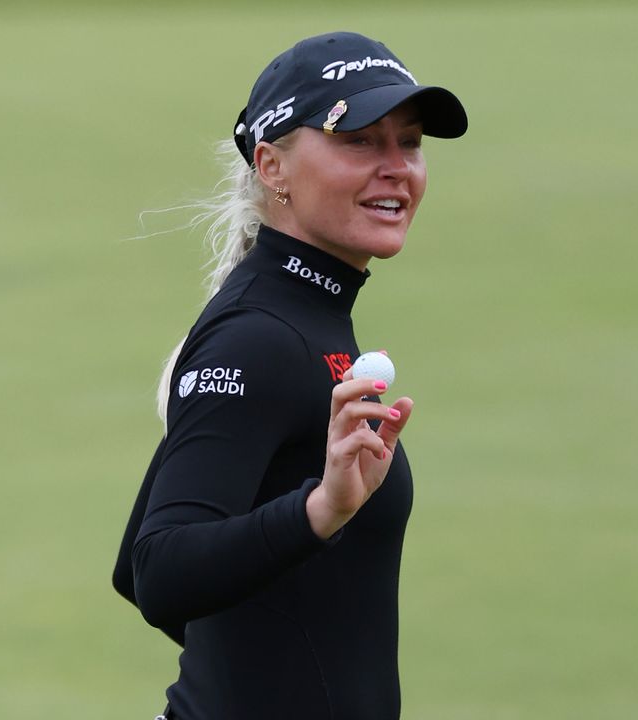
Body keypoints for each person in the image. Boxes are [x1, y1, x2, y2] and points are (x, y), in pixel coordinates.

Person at [112, 31, 467, 719]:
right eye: (360, 140)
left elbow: (136, 564)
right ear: (272, 166)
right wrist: (318, 511)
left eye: (411, 141)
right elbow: (157, 571)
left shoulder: (292, 318)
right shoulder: (259, 338)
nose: (397, 167)